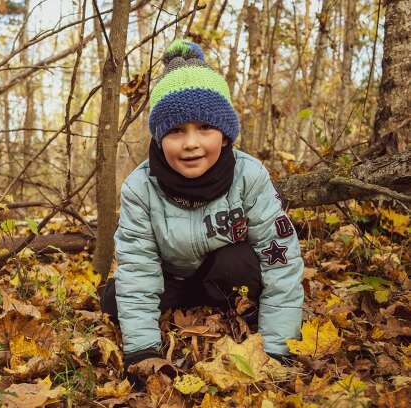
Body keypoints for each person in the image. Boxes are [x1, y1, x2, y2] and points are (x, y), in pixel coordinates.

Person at [99, 40, 304, 377]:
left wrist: (279, 347)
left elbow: (280, 256)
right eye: (177, 131)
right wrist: (142, 352)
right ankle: (181, 306)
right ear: (159, 138)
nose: (191, 143)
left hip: (225, 274)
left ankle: (240, 311)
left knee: (240, 260)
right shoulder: (140, 187)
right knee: (115, 297)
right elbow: (138, 268)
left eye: (205, 128)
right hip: (171, 277)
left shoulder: (249, 175)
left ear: (224, 135)